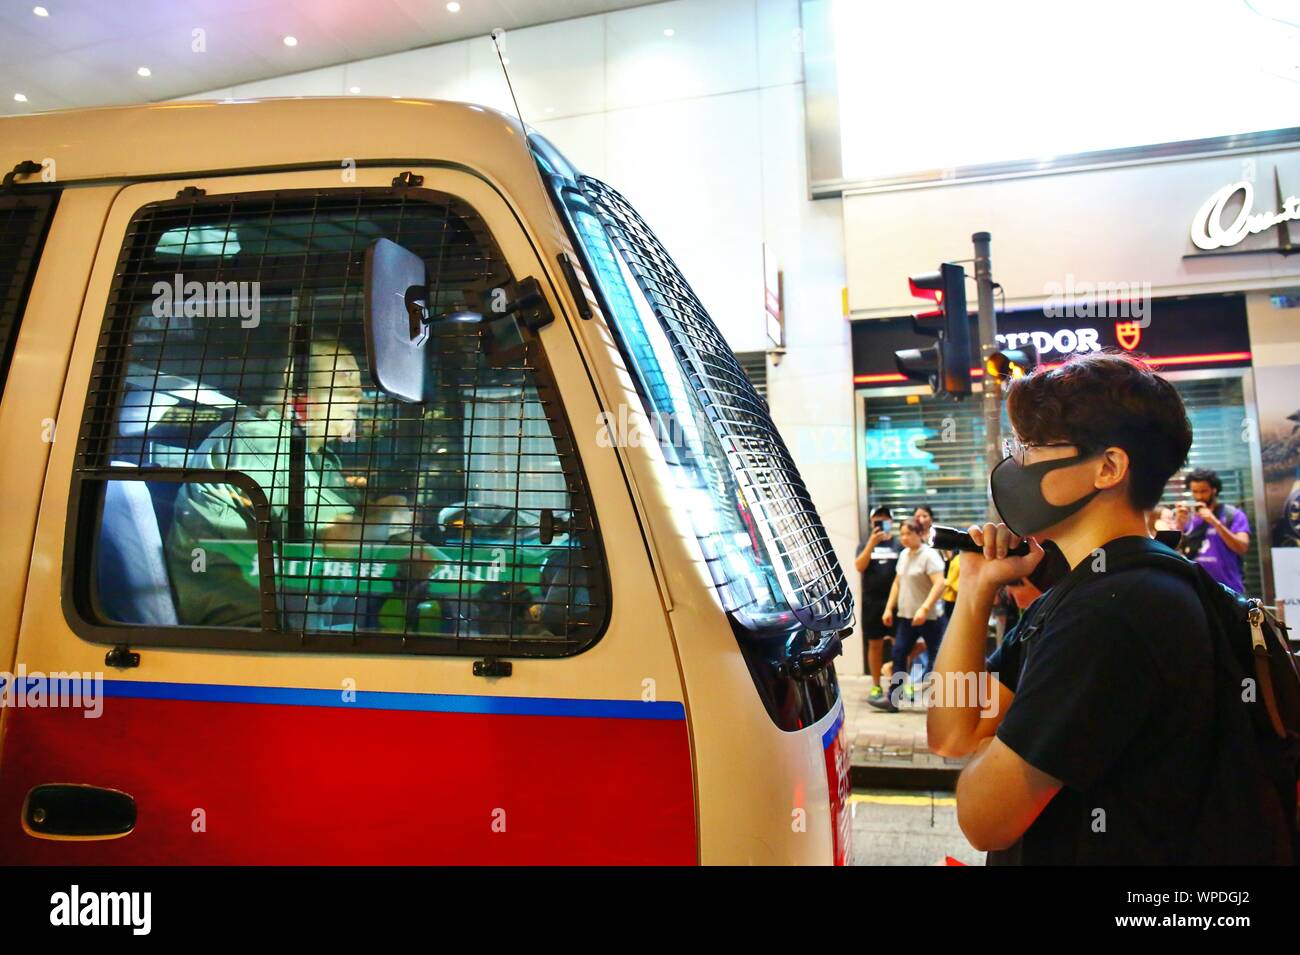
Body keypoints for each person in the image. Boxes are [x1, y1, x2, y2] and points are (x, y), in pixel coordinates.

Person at [928, 350, 1285, 865]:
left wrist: (1000, 747)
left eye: (1030, 447)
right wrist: (977, 589)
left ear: (1109, 467)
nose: (1016, 464)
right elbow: (952, 732)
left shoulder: (1115, 611)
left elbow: (984, 820)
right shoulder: (1082, 593)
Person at [168, 337, 427, 628]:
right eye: (345, 377)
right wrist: (391, 516)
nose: (359, 394)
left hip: (297, 625)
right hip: (251, 636)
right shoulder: (259, 441)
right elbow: (341, 540)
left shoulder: (315, 456)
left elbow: (364, 525)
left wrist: (398, 530)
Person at [870, 518, 945, 713]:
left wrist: (925, 608)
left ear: (919, 534)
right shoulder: (903, 555)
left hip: (930, 618)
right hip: (906, 616)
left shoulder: (929, 555)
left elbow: (940, 584)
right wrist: (889, 608)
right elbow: (897, 582)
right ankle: (893, 699)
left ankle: (941, 702)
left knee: (937, 658)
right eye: (901, 533)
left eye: (908, 533)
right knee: (899, 653)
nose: (904, 537)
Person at [1174, 468, 1250, 593]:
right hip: (1196, 590)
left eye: (1204, 491)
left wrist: (1215, 522)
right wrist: (1179, 525)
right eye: (1195, 491)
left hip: (1229, 591)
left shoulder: (1233, 515)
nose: (1199, 496)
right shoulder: (1189, 517)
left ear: (1214, 490)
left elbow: (1242, 547)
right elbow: (1176, 551)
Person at [855, 505, 902, 702]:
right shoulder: (865, 544)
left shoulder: (899, 545)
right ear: (871, 522)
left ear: (891, 522)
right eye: (877, 519)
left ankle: (898, 684)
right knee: (874, 644)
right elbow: (859, 566)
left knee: (899, 645)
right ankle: (876, 685)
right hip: (872, 602)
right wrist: (871, 544)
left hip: (897, 601)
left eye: (885, 519)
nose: (881, 523)